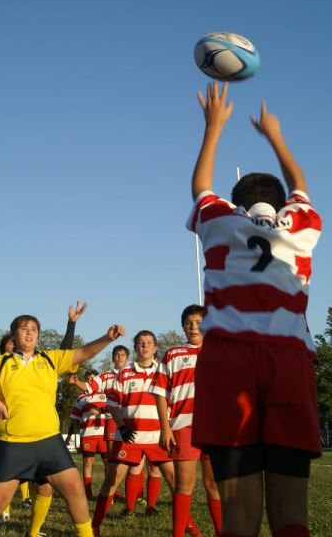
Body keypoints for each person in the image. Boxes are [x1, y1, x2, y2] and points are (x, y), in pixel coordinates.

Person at [186, 81, 322, 537]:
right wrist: (275, 134)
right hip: (288, 358)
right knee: (292, 520)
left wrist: (214, 126)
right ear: (282, 205)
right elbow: (301, 186)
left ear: (235, 201)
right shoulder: (300, 225)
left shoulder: (222, 221)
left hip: (229, 359)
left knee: (240, 521)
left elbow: (201, 187)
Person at [0, 313, 124, 537]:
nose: (29, 332)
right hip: (13, 443)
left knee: (75, 490)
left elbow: (82, 353)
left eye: (34, 329)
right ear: (14, 335)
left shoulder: (49, 359)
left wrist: (107, 338)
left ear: (38, 336)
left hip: (49, 442)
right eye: (24, 328)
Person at [92, 330, 175, 536]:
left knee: (178, 483)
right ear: (135, 348)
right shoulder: (124, 372)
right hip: (129, 437)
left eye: (148, 343)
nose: (144, 346)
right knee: (111, 480)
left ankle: (188, 526)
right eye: (140, 343)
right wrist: (121, 426)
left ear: (155, 348)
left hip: (158, 437)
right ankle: (94, 526)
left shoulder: (164, 371)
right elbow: (111, 404)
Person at [151, 304, 222, 537]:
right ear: (182, 326)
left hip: (215, 428)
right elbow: (160, 393)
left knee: (214, 486)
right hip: (184, 426)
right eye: (189, 323)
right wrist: (165, 428)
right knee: (184, 486)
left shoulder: (219, 351)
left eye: (199, 322)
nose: (193, 327)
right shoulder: (172, 354)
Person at [67, 369, 108, 499]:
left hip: (105, 434)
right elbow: (75, 418)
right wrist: (69, 435)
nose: (90, 379)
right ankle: (89, 493)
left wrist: (100, 411)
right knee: (87, 463)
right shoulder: (81, 398)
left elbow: (113, 411)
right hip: (87, 435)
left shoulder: (105, 394)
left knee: (109, 463)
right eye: (88, 377)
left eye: (93, 376)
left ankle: (109, 492)